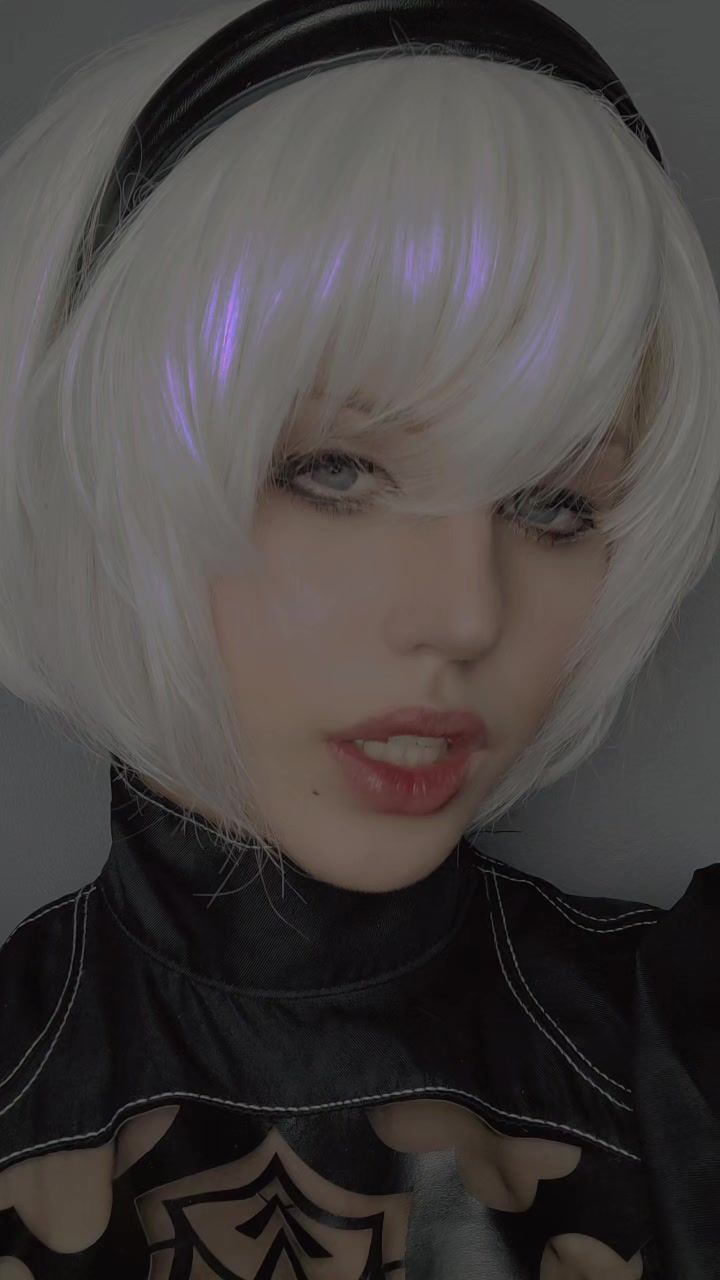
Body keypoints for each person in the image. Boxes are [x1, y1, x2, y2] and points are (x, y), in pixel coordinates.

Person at [0, 0, 718, 1274]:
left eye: (556, 503)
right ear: (100, 462)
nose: (467, 614)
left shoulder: (686, 1055)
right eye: (333, 469)